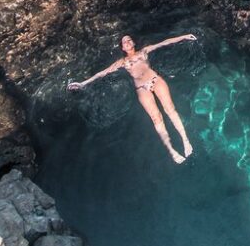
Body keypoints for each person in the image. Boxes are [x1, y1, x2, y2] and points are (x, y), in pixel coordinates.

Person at [68, 33, 196, 163]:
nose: (127, 42)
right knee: (156, 118)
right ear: (123, 48)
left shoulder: (144, 51)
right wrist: (82, 83)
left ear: (133, 43)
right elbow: (102, 73)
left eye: (129, 39)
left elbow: (165, 42)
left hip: (155, 80)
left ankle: (186, 141)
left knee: (170, 109)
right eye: (124, 42)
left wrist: (184, 37)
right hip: (141, 89)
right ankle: (172, 151)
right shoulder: (122, 62)